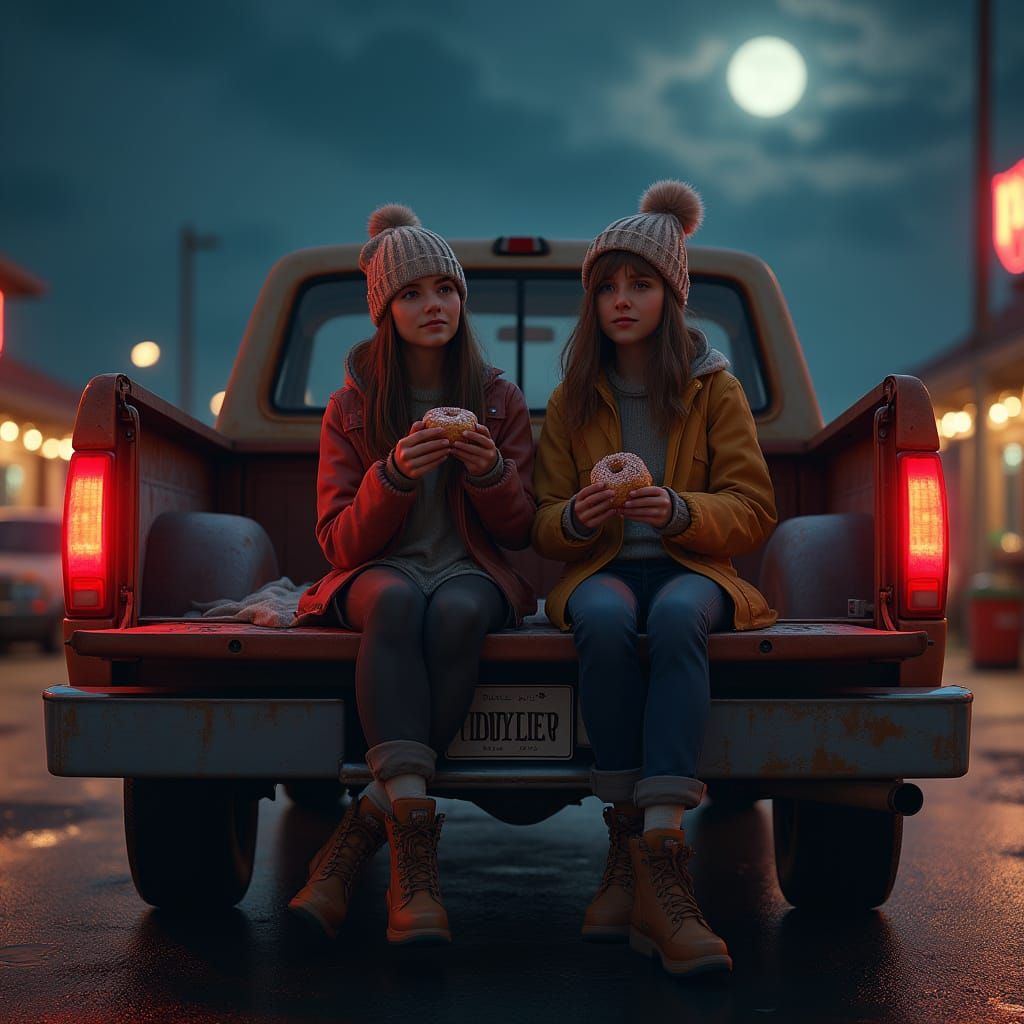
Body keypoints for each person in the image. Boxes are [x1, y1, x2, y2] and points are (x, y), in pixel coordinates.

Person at [532, 181, 777, 976]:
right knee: (600, 620)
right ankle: (626, 838)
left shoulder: (715, 389)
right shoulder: (571, 400)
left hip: (691, 566)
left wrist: (672, 508)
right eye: (606, 287)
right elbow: (541, 521)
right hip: (604, 568)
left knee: (678, 620)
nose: (621, 301)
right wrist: (580, 513)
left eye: (639, 284)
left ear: (671, 295)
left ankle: (660, 847)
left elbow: (751, 508)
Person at [290, 204, 536, 944]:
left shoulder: (498, 399)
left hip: (470, 569)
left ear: (462, 300)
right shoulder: (353, 405)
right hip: (378, 568)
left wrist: (490, 467)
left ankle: (372, 821)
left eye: (446, 291)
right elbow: (339, 544)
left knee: (458, 611)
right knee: (396, 602)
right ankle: (413, 852)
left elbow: (519, 529)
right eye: (413, 294)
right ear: (384, 311)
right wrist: (393, 473)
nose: (434, 306)